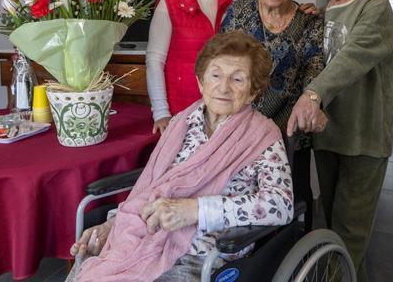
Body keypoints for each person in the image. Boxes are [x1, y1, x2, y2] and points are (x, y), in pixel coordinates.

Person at [68, 31, 294, 281]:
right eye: (215, 75)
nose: (223, 87)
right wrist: (112, 226)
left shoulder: (263, 135)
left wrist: (197, 210)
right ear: (200, 82)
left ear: (253, 92)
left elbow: (280, 205)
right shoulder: (181, 123)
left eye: (238, 79)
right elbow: (150, 185)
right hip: (145, 235)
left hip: (204, 254)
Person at [287, 0, 393, 282]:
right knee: (335, 227)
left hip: (363, 137)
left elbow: (352, 55)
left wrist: (312, 94)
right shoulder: (326, 11)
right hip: (329, 133)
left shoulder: (374, 4)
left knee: (350, 232)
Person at [220, 0, 324, 231]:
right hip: (238, 130)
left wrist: (312, 101)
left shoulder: (310, 22)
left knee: (291, 205)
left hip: (288, 134)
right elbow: (219, 62)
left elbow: (316, 71)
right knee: (240, 204)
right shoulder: (237, 14)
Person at [146, 0, 233, 135]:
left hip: (222, 112)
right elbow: (154, 61)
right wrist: (160, 112)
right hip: (180, 114)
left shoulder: (234, 8)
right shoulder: (169, 3)